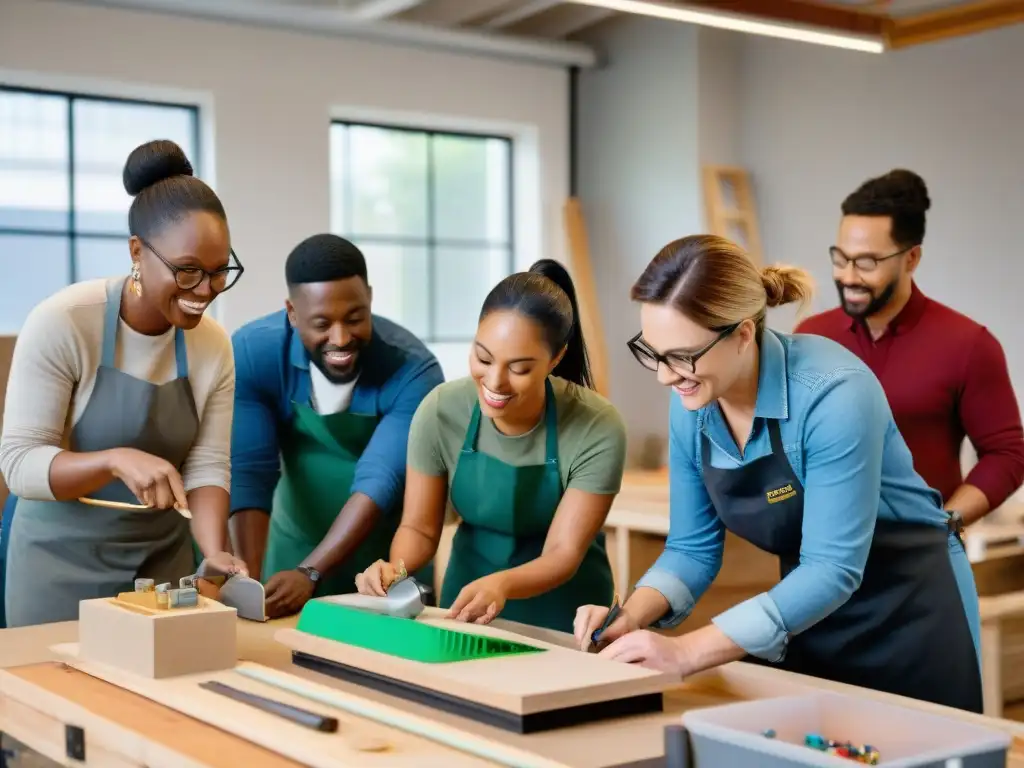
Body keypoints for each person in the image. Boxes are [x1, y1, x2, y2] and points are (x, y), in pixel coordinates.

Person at [575, 235, 984, 713]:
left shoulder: (835, 394)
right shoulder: (693, 401)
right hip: (808, 610)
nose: (665, 376)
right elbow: (690, 550)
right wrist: (629, 616)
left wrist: (687, 651)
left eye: (682, 356)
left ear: (743, 334)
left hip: (912, 613)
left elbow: (831, 569)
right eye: (653, 353)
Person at [0, 139, 247, 628]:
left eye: (220, 273)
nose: (205, 291)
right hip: (57, 562)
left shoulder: (212, 346)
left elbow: (207, 466)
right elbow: (20, 464)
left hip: (162, 568)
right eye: (188, 271)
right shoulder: (66, 321)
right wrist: (115, 459)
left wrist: (215, 551)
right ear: (137, 251)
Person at [353, 260, 627, 634]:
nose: (494, 381)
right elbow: (419, 527)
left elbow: (563, 553)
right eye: (483, 358)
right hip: (465, 607)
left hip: (568, 617)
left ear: (556, 358)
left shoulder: (596, 424)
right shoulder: (440, 411)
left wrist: (503, 584)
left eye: (519, 368)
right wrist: (395, 568)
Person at [228, 234, 444, 619]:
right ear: (292, 313)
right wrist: (246, 582)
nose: (341, 338)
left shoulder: (414, 370)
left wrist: (312, 570)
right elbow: (250, 472)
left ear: (371, 299)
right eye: (322, 323)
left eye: (355, 318)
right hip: (291, 551)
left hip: (382, 567)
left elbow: (380, 479)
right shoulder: (252, 353)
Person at [795, 170, 1024, 524]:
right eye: (840, 258)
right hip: (816, 555)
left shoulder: (969, 344)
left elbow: (1007, 454)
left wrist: (944, 524)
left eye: (867, 263)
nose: (848, 276)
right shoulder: (809, 339)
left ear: (912, 259)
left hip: (921, 561)